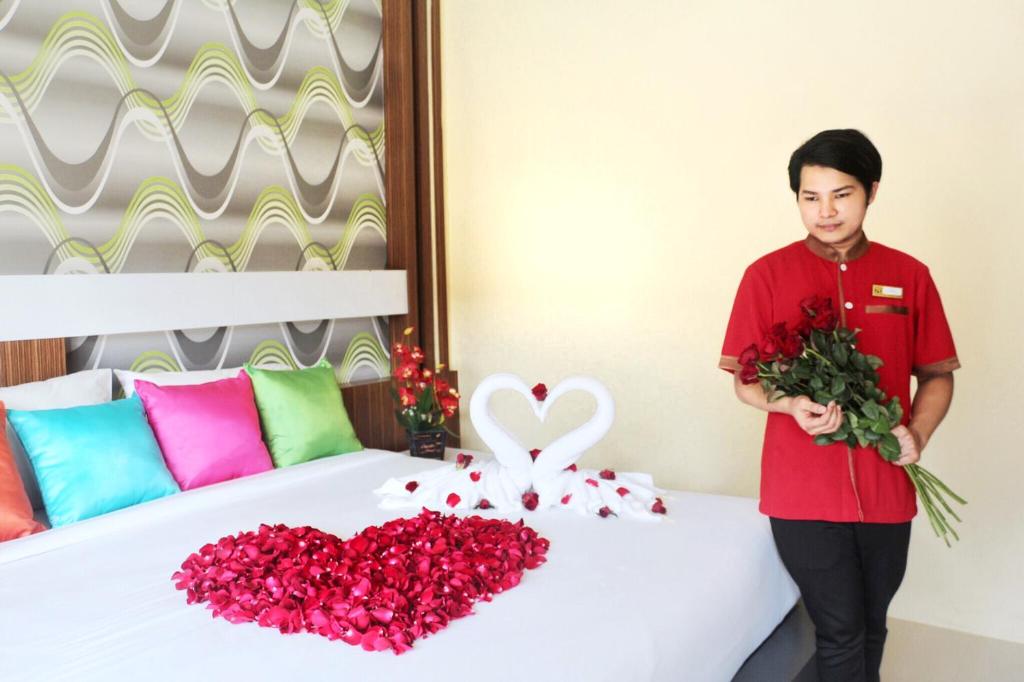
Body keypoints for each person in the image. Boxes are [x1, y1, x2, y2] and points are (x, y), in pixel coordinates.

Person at [719, 129, 959, 682]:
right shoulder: (766, 275)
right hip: (802, 488)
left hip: (886, 485)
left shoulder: (909, 275)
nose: (825, 211)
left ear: (871, 191)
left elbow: (937, 376)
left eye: (841, 194)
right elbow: (745, 382)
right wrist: (790, 404)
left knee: (872, 624)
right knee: (841, 630)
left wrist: (918, 433)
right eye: (811, 197)